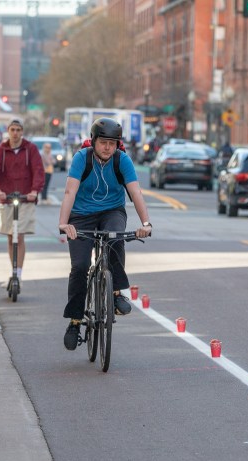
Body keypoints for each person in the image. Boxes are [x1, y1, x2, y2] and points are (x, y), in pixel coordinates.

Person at [58, 118, 153, 350]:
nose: (107, 147)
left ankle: (117, 292)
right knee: (80, 266)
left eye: (112, 143)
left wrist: (146, 223)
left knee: (115, 237)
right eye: (103, 142)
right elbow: (70, 191)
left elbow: (135, 192)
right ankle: (75, 321)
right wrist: (64, 223)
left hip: (112, 211)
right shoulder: (82, 158)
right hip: (81, 215)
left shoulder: (123, 160)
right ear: (94, 141)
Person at [0, 119, 45, 284]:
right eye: (12, 130)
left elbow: (38, 170)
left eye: (18, 130)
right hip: (6, 198)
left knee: (19, 236)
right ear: (8, 131)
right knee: (9, 236)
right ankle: (13, 270)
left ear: (22, 132)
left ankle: (18, 273)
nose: (15, 133)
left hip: (25, 198)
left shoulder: (31, 149)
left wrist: (35, 191)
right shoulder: (1, 149)